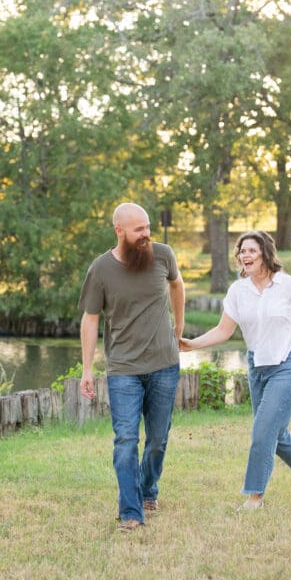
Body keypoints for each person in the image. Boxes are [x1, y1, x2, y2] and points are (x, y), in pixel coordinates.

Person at [180, 229, 291, 510]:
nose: (244, 255)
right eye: (241, 251)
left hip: (288, 366)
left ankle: (255, 496)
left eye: (251, 250)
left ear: (264, 253)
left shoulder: (288, 285)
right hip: (257, 368)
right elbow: (224, 330)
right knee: (274, 430)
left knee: (263, 430)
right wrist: (192, 344)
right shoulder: (238, 290)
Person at [78, 202, 185, 531]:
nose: (146, 234)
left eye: (148, 227)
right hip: (123, 368)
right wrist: (86, 369)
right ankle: (130, 512)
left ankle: (148, 488)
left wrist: (178, 330)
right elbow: (90, 318)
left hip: (164, 365)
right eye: (138, 229)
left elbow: (177, 286)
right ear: (119, 231)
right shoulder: (100, 269)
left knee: (157, 440)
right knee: (126, 440)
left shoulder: (163, 255)